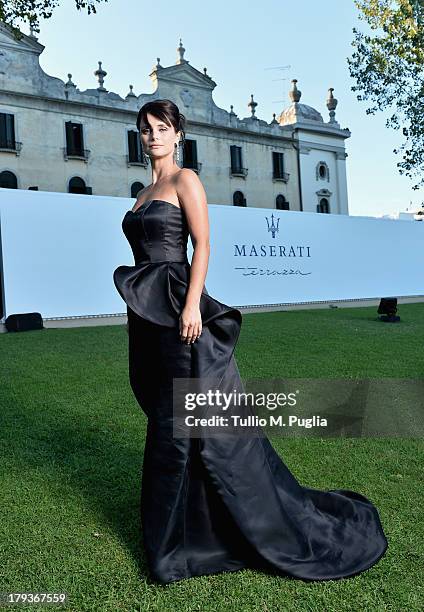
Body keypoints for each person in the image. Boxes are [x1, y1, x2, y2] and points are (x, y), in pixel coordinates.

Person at [113, 98, 388, 584]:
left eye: (162, 128)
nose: (153, 135)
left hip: (181, 312)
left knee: (180, 427)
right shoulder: (143, 191)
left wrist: (193, 303)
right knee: (164, 416)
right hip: (148, 319)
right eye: (146, 129)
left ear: (179, 134)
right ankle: (189, 529)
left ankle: (172, 548)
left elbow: (203, 245)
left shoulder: (185, 181)